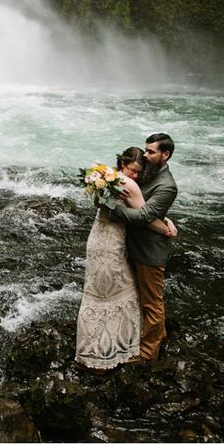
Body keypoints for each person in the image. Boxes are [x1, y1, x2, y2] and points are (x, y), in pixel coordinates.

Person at [74, 147, 177, 371]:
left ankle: (92, 350)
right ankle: (118, 348)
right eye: (133, 170)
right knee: (122, 293)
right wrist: (167, 228)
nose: (135, 176)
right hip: (113, 243)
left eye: (139, 172)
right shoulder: (128, 184)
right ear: (123, 165)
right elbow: (147, 217)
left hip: (98, 239)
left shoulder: (103, 177)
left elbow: (134, 208)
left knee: (98, 294)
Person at [109, 133, 178, 361]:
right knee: (137, 298)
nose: (145, 154)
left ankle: (148, 355)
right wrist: (167, 222)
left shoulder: (167, 186)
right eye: (146, 150)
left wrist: (114, 212)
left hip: (149, 250)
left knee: (152, 303)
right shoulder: (147, 170)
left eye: (151, 151)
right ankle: (160, 335)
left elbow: (145, 215)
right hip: (130, 244)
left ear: (165, 155)